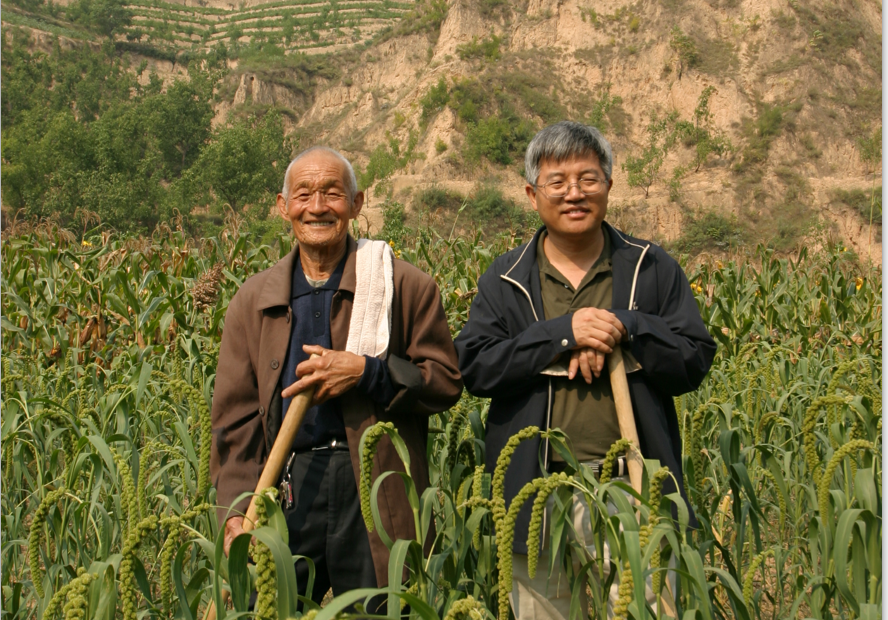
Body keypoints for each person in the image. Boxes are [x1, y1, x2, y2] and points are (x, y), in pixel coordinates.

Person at [454, 121, 716, 618]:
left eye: (588, 178)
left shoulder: (651, 267)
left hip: (634, 489)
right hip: (537, 496)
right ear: (532, 194)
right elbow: (476, 366)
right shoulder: (505, 277)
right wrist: (563, 334)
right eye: (557, 182)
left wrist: (626, 327)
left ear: (609, 185)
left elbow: (693, 360)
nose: (574, 193)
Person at [210, 146, 463, 604]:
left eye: (332, 193)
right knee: (270, 607)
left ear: (356, 203)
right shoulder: (254, 301)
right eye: (303, 194)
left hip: (374, 484)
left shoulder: (401, 285)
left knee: (382, 610)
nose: (317, 206)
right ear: (283, 206)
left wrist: (369, 373)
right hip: (287, 484)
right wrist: (235, 509)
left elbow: (444, 382)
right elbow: (236, 421)